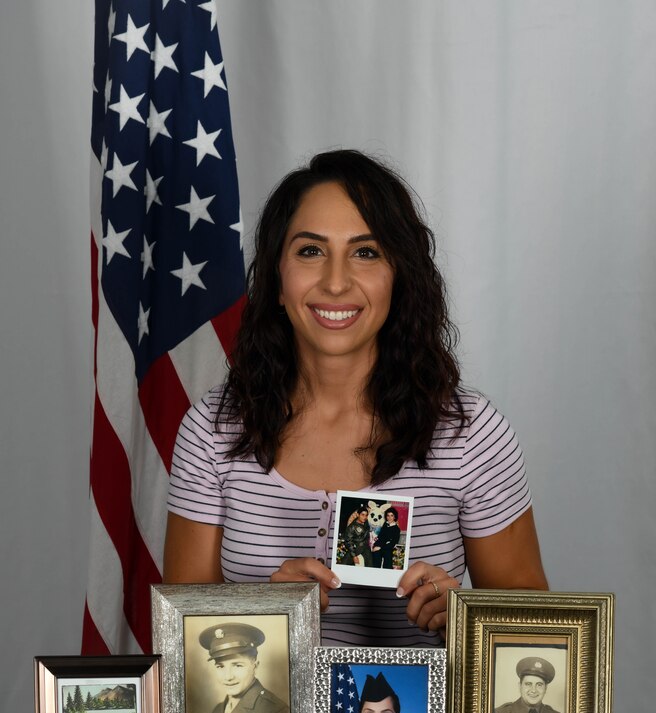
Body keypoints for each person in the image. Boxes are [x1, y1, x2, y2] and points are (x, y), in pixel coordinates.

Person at [164, 149, 548, 646]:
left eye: (366, 252)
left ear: (399, 277)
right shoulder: (211, 430)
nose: (336, 281)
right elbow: (176, 641)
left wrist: (465, 618)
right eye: (310, 251)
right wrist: (262, 614)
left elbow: (540, 632)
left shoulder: (470, 432)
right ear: (277, 281)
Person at [193, 622, 291, 713]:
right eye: (220, 666)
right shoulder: (218, 711)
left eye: (237, 665)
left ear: (255, 666)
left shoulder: (273, 712)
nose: (228, 676)